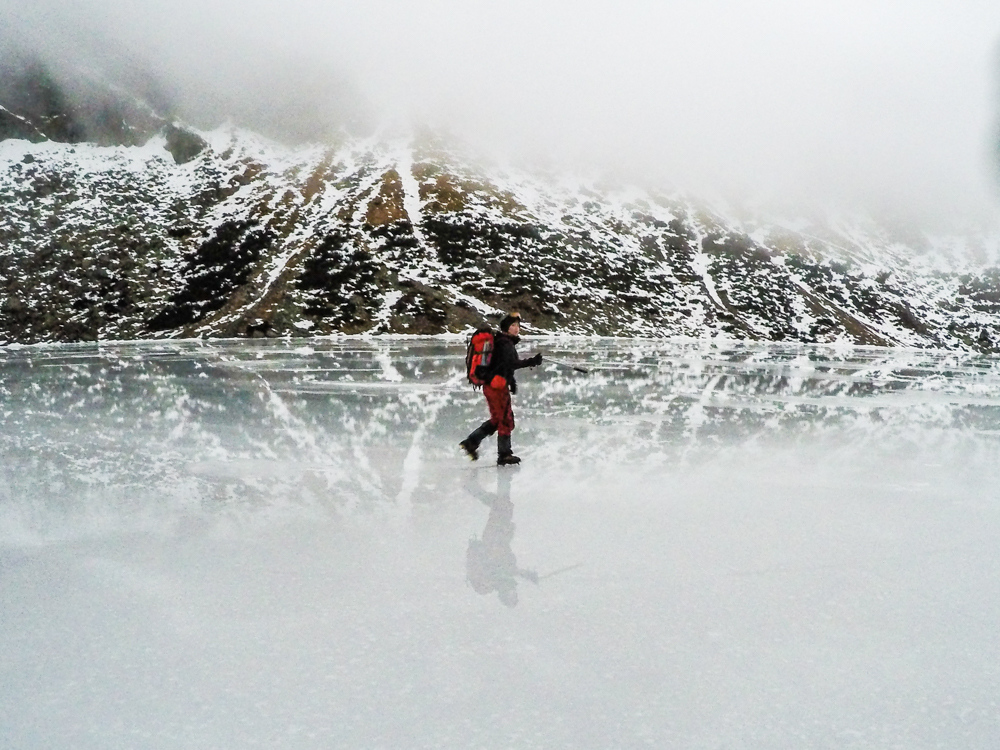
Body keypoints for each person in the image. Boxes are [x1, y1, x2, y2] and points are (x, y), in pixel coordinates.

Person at [459, 312, 542, 465]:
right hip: (496, 387)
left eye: (517, 325)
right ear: (506, 327)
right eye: (513, 326)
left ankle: (472, 442)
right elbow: (511, 364)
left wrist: (511, 381)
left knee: (498, 419)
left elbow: (503, 366)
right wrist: (532, 361)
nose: (516, 329)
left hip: (493, 385)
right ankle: (504, 454)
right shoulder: (505, 343)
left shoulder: (501, 341)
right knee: (505, 419)